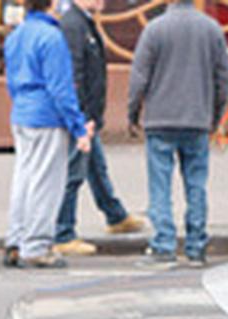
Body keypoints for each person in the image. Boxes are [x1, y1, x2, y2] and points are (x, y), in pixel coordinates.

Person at [127, 0, 228, 265]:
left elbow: (139, 77)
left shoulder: (154, 29)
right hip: (197, 119)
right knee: (196, 185)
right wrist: (215, 117)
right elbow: (223, 80)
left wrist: (133, 113)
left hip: (160, 120)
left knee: (160, 187)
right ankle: (196, 246)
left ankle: (164, 245)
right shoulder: (212, 29)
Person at [3, 0, 94, 269]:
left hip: (21, 113)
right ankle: (36, 246)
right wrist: (78, 127)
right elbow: (61, 88)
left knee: (24, 178)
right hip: (46, 117)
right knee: (46, 184)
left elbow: (10, 81)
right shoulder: (52, 38)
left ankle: (16, 240)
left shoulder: (16, 35)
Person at [52, 0, 145, 257]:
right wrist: (81, 118)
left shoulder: (83, 21)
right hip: (81, 118)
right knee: (73, 174)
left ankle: (115, 216)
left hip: (88, 116)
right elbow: (74, 74)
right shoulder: (73, 24)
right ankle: (63, 233)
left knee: (96, 168)